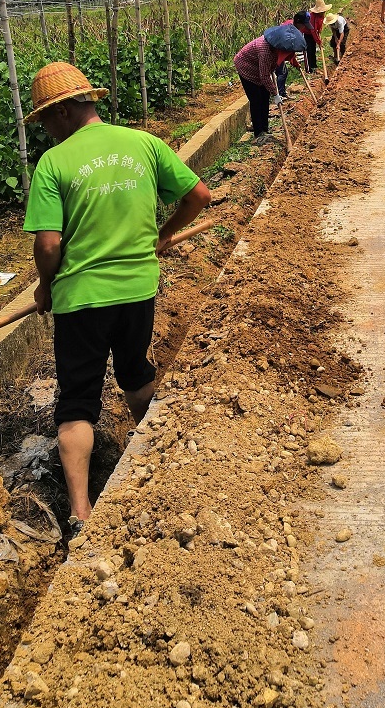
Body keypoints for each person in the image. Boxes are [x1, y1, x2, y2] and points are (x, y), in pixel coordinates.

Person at [23, 62, 211, 542]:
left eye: (46, 120)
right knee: (135, 372)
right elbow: (198, 195)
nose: (46, 130)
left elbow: (48, 246)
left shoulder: (54, 163)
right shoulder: (143, 144)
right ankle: (156, 464)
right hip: (137, 289)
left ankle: (81, 512)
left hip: (81, 299)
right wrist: (163, 237)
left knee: (78, 402)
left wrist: (45, 287)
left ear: (64, 111)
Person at [234, 33, 284, 141]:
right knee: (256, 99)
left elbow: (269, 68)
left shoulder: (275, 49)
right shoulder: (264, 51)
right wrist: (275, 94)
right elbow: (264, 76)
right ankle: (258, 133)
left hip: (257, 67)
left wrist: (272, 72)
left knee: (265, 95)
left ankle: (264, 129)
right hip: (245, 67)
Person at [275, 12, 314, 99]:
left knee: (282, 72)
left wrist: (295, 62)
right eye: (303, 25)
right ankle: (280, 95)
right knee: (282, 72)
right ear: (298, 22)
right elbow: (289, 51)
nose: (304, 28)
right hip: (276, 53)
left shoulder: (291, 24)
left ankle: (280, 93)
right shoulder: (290, 33)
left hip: (279, 52)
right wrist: (295, 62)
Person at [306, 0, 329, 71]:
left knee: (313, 50)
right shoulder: (312, 17)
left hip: (314, 33)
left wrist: (319, 36)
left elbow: (319, 28)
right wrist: (318, 41)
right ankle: (311, 68)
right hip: (308, 34)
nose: (323, 12)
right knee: (310, 50)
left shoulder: (321, 16)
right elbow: (313, 30)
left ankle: (314, 65)